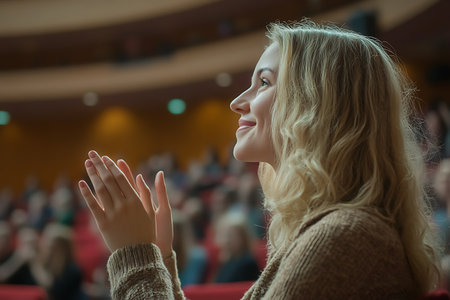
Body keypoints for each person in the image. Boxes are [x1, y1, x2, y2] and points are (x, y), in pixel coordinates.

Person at [78, 20, 439, 299]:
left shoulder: (345, 237)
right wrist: (159, 258)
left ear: (317, 103)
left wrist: (135, 256)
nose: (237, 101)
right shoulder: (338, 231)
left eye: (263, 83)